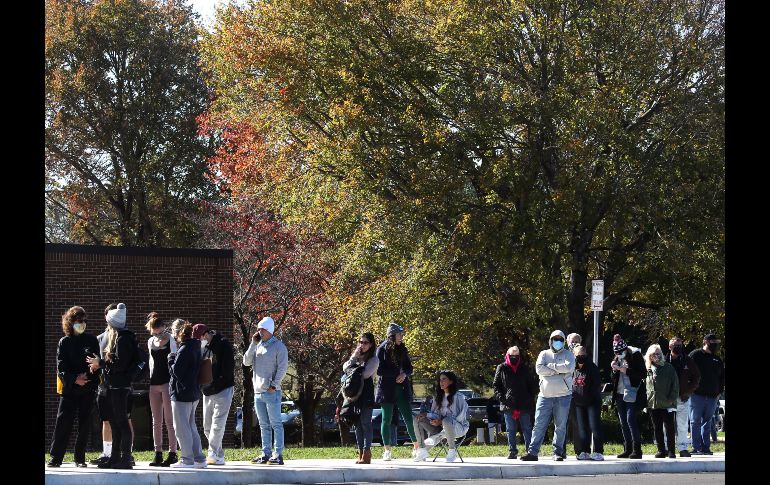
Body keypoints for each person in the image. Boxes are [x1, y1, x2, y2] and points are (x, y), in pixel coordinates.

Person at [47, 306, 100, 468]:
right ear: (70, 323)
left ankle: (79, 458)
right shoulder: (64, 342)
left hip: (87, 388)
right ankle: (56, 458)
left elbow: (96, 362)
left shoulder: (91, 340)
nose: (82, 324)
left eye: (84, 321)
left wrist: (88, 377)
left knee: (84, 425)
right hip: (69, 389)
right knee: (63, 422)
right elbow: (61, 367)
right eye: (79, 321)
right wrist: (75, 379)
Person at [86, 303, 136, 469]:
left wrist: (100, 362)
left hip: (121, 388)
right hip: (112, 387)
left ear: (112, 322)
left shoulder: (124, 339)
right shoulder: (117, 337)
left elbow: (120, 365)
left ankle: (126, 458)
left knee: (122, 422)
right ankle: (114, 457)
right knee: (114, 423)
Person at [520, 330, 575, 462]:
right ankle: (533, 453)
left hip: (563, 396)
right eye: (555, 339)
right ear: (550, 340)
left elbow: (569, 368)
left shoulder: (569, 355)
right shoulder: (543, 354)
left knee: (560, 426)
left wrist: (550, 367)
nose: (558, 342)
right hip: (544, 396)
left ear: (563, 341)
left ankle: (558, 453)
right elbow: (539, 369)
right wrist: (558, 370)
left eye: (560, 339)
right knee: (539, 425)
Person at [244, 316, 289, 465]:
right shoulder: (257, 345)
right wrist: (252, 344)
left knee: (276, 423)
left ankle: (278, 454)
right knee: (263, 425)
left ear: (269, 330)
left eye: (261, 329)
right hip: (258, 392)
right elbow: (246, 361)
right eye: (258, 329)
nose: (259, 331)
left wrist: (274, 385)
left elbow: (283, 367)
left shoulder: (279, 346)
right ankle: (266, 453)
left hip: (271, 392)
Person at [193, 323, 235, 465]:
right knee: (207, 426)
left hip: (223, 389)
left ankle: (212, 453)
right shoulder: (202, 348)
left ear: (206, 334)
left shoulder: (223, 344)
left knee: (218, 424)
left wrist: (217, 384)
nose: (200, 342)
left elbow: (228, 369)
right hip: (208, 390)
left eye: (200, 339)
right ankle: (219, 454)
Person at [166, 319, 207, 468]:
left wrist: (170, 360)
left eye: (173, 332)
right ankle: (199, 458)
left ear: (178, 333)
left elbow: (177, 373)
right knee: (191, 426)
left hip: (182, 393)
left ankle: (187, 459)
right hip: (193, 392)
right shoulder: (195, 346)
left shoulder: (184, 349)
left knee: (181, 428)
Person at [375, 322, 418, 461]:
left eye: (401, 334)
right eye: (399, 334)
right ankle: (387, 450)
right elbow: (379, 370)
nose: (401, 337)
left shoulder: (402, 349)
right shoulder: (381, 349)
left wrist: (404, 374)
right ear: (391, 335)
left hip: (402, 389)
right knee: (386, 419)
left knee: (408, 418)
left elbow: (409, 368)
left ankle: (417, 448)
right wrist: (396, 373)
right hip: (387, 389)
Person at [412, 370, 470, 463]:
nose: (441, 382)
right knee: (418, 419)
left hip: (457, 428)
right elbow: (436, 414)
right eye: (440, 380)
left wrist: (441, 421)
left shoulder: (459, 397)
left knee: (447, 421)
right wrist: (427, 415)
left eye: (444, 379)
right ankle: (422, 450)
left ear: (451, 381)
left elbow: (460, 418)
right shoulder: (438, 397)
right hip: (440, 428)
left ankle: (452, 451)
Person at [145, 312, 178, 467]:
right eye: (155, 332)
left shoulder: (171, 339)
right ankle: (158, 452)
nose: (158, 334)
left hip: (167, 382)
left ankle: (173, 453)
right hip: (154, 383)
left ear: (164, 327)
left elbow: (175, 358)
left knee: (169, 421)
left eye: (160, 331)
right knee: (156, 421)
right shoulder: (150, 341)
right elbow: (151, 362)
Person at [493, 346, 536, 459]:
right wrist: (503, 399)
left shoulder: (524, 368)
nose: (514, 358)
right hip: (508, 404)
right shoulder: (501, 368)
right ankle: (512, 451)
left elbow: (531, 385)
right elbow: (496, 386)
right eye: (512, 355)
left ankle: (530, 451)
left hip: (524, 404)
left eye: (516, 356)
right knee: (510, 429)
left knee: (527, 428)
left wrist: (530, 400)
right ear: (507, 355)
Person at [343, 332, 379, 464]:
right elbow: (345, 367)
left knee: (365, 423)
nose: (362, 345)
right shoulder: (357, 357)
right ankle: (360, 453)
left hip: (366, 394)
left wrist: (353, 369)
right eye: (360, 342)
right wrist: (354, 356)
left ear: (371, 344)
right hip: (355, 394)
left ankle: (367, 453)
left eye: (365, 343)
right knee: (357, 424)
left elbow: (364, 375)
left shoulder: (374, 359)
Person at [609, 334, 646, 459]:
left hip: (632, 392)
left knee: (630, 419)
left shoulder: (635, 355)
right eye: (617, 352)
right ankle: (627, 448)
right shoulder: (617, 358)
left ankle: (637, 450)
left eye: (621, 352)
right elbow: (613, 377)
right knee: (623, 421)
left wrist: (626, 371)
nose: (619, 354)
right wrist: (614, 370)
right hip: (619, 393)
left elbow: (642, 374)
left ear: (625, 349)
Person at [688, 333, 724, 455]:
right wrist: (689, 389)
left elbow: (722, 378)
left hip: (713, 397)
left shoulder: (717, 359)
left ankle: (706, 448)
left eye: (716, 343)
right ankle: (696, 447)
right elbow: (686, 371)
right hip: (697, 395)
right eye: (712, 342)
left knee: (707, 422)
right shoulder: (695, 355)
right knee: (695, 421)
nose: (714, 345)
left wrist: (719, 392)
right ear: (705, 342)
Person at [664, 336, 700, 457]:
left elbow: (697, 377)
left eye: (680, 345)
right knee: (667, 425)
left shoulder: (687, 360)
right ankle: (666, 448)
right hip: (667, 399)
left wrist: (688, 392)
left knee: (683, 424)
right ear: (669, 347)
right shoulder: (664, 361)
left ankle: (683, 448)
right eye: (675, 345)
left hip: (682, 398)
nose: (678, 347)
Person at [571, 345, 604, 461]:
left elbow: (596, 386)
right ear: (574, 356)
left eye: (582, 355)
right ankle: (584, 451)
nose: (580, 357)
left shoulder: (592, 367)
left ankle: (598, 451)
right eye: (578, 355)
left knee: (594, 426)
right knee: (582, 428)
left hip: (592, 402)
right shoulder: (572, 368)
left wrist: (589, 398)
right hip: (578, 403)